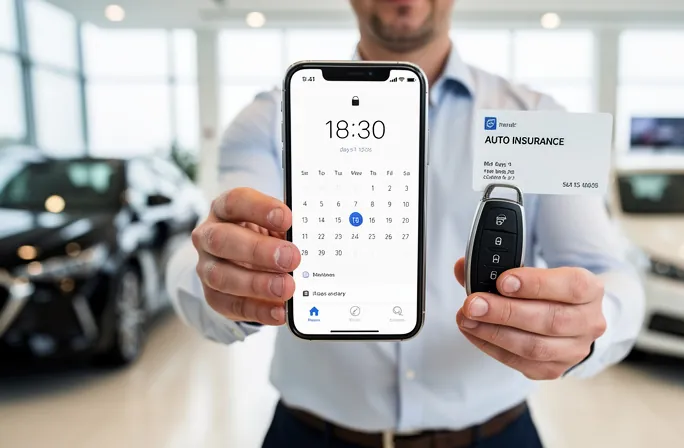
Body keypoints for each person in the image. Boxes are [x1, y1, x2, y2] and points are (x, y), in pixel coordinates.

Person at [166, 0, 645, 446]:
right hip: (309, 433)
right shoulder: (270, 119)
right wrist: (218, 275)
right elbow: (204, 249)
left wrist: (588, 331)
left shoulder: (539, 119)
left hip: (496, 434)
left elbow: (608, 272)